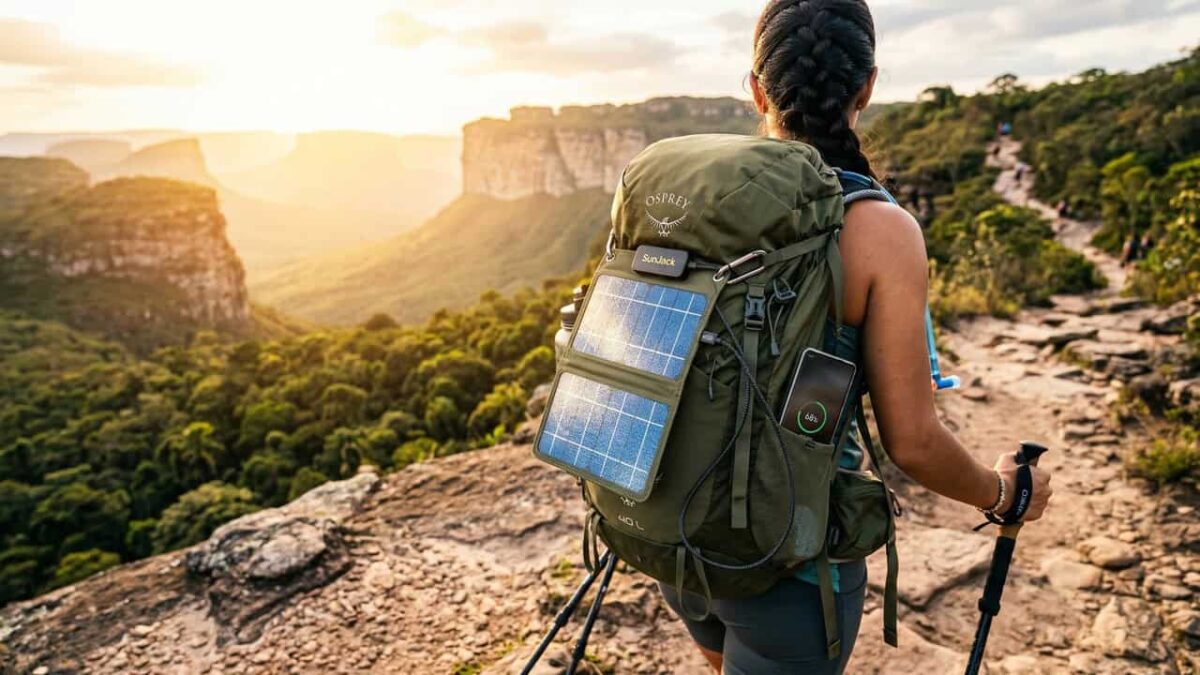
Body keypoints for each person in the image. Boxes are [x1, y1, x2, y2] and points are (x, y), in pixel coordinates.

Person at [656, 2, 1055, 673]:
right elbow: (914, 443)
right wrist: (1004, 491)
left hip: (673, 528)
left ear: (755, 89)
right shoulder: (881, 230)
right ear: (867, 86)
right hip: (788, 565)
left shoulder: (698, 198)